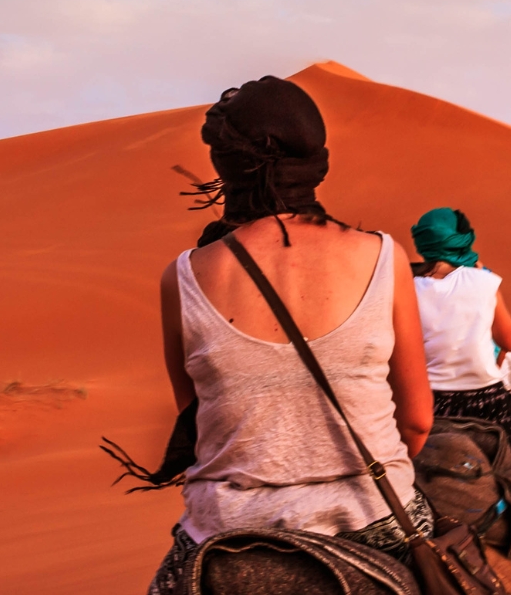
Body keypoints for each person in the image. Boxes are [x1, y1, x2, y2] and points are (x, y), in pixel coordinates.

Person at [145, 77, 435, 594]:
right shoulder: (385, 256)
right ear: (317, 160)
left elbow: (197, 427)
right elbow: (417, 421)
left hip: (226, 536)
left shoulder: (183, 277)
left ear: (225, 167)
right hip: (374, 522)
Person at [410, 207, 511, 425]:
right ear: (463, 240)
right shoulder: (483, 279)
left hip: (430, 401)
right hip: (486, 399)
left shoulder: (408, 288)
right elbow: (509, 340)